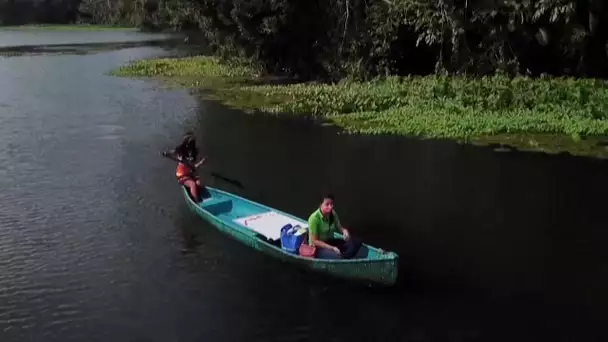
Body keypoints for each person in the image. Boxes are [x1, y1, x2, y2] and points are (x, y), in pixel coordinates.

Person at [307, 194, 362, 259]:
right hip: (318, 247)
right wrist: (332, 248)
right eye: (327, 204)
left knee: (357, 242)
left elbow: (339, 228)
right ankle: (341, 258)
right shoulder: (314, 218)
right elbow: (314, 241)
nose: (330, 207)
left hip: (330, 241)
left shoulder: (333, 213)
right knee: (337, 256)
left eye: (331, 204)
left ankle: (343, 258)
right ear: (320, 205)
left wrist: (345, 231)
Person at [162, 132, 207, 202]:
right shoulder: (181, 149)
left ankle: (197, 195)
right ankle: (197, 202)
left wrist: (201, 163)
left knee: (199, 184)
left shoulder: (195, 151)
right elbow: (173, 152)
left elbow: (193, 167)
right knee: (192, 184)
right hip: (182, 174)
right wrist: (166, 154)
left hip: (191, 173)